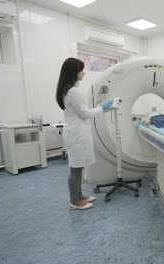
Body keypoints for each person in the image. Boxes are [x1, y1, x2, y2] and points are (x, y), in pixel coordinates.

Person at [56, 57, 113, 210]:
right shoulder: (73, 91)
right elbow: (85, 114)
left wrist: (100, 107)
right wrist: (103, 107)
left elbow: (82, 112)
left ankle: (79, 195)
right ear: (74, 72)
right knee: (75, 169)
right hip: (76, 135)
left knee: (79, 167)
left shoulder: (67, 89)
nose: (84, 73)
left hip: (76, 132)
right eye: (81, 70)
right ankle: (74, 200)